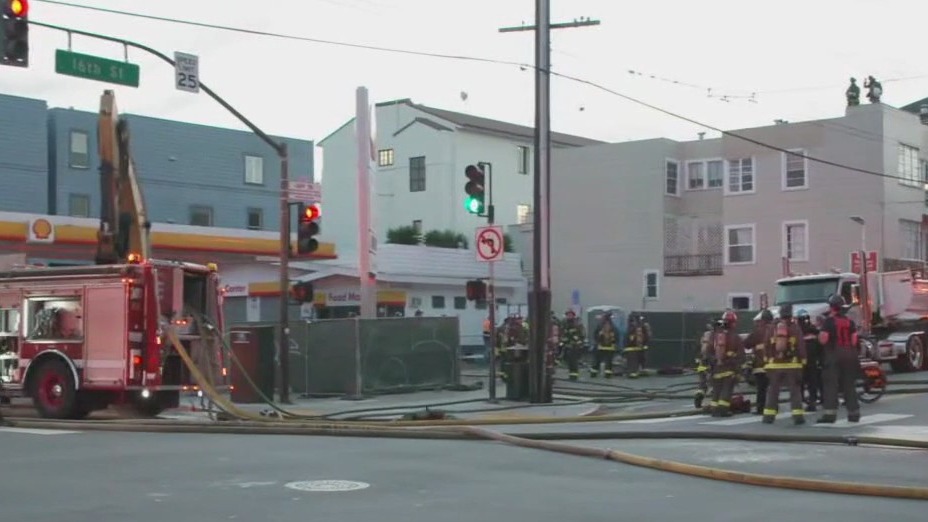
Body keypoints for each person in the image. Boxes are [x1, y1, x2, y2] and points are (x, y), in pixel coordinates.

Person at [817, 294, 861, 424]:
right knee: (849, 385)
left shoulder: (829, 322)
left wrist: (819, 334)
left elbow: (824, 339)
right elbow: (854, 341)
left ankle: (830, 414)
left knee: (831, 385)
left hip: (834, 357)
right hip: (850, 356)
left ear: (831, 307)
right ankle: (854, 413)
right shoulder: (850, 322)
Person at [761, 304, 807, 425]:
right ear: (790, 315)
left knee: (772, 391)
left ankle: (768, 417)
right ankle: (798, 416)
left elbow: (766, 344)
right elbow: (801, 345)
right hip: (792, 365)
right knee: (795, 391)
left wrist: (767, 359)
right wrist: (803, 360)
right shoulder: (795, 328)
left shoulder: (771, 328)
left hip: (774, 366)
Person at [708, 310, 743, 417]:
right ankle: (723, 410)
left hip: (716, 368)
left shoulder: (715, 335)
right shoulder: (735, 337)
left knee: (716, 390)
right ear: (733, 323)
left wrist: (713, 363)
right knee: (726, 390)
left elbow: (708, 351)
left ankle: (714, 409)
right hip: (729, 368)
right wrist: (739, 371)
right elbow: (740, 355)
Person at [743, 308, 774, 415]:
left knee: (761, 389)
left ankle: (761, 408)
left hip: (760, 366)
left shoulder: (758, 330)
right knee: (773, 388)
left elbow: (746, 344)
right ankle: (774, 407)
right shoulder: (776, 329)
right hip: (774, 365)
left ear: (762, 320)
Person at [797, 308, 824, 412]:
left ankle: (802, 401)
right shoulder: (813, 330)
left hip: (801, 360)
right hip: (813, 360)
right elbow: (820, 345)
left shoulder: (798, 330)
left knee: (801, 382)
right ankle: (814, 401)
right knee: (814, 381)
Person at [694, 318, 715, 410]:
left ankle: (699, 396)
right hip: (712, 361)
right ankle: (715, 404)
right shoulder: (717, 335)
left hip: (702, 362)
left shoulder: (704, 335)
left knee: (702, 383)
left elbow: (699, 347)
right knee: (715, 382)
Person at [559, 309, 586, 381]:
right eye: (568, 315)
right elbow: (562, 333)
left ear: (573, 315)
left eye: (570, 315)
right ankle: (571, 375)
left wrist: (579, 341)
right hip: (567, 345)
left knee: (574, 361)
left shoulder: (577, 324)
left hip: (575, 346)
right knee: (569, 361)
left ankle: (574, 376)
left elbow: (582, 334)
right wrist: (563, 340)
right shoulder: (564, 323)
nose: (569, 316)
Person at [590, 313, 618, 378]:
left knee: (597, 361)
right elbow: (617, 336)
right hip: (609, 347)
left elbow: (595, 335)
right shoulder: (613, 327)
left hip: (601, 347)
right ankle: (607, 374)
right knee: (608, 362)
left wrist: (597, 341)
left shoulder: (600, 326)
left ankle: (594, 373)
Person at [623, 314, 649, 378]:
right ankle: (638, 371)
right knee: (639, 360)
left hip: (631, 348)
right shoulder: (642, 327)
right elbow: (647, 337)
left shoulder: (630, 327)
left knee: (632, 361)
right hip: (640, 347)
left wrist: (624, 347)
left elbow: (626, 337)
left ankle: (632, 373)